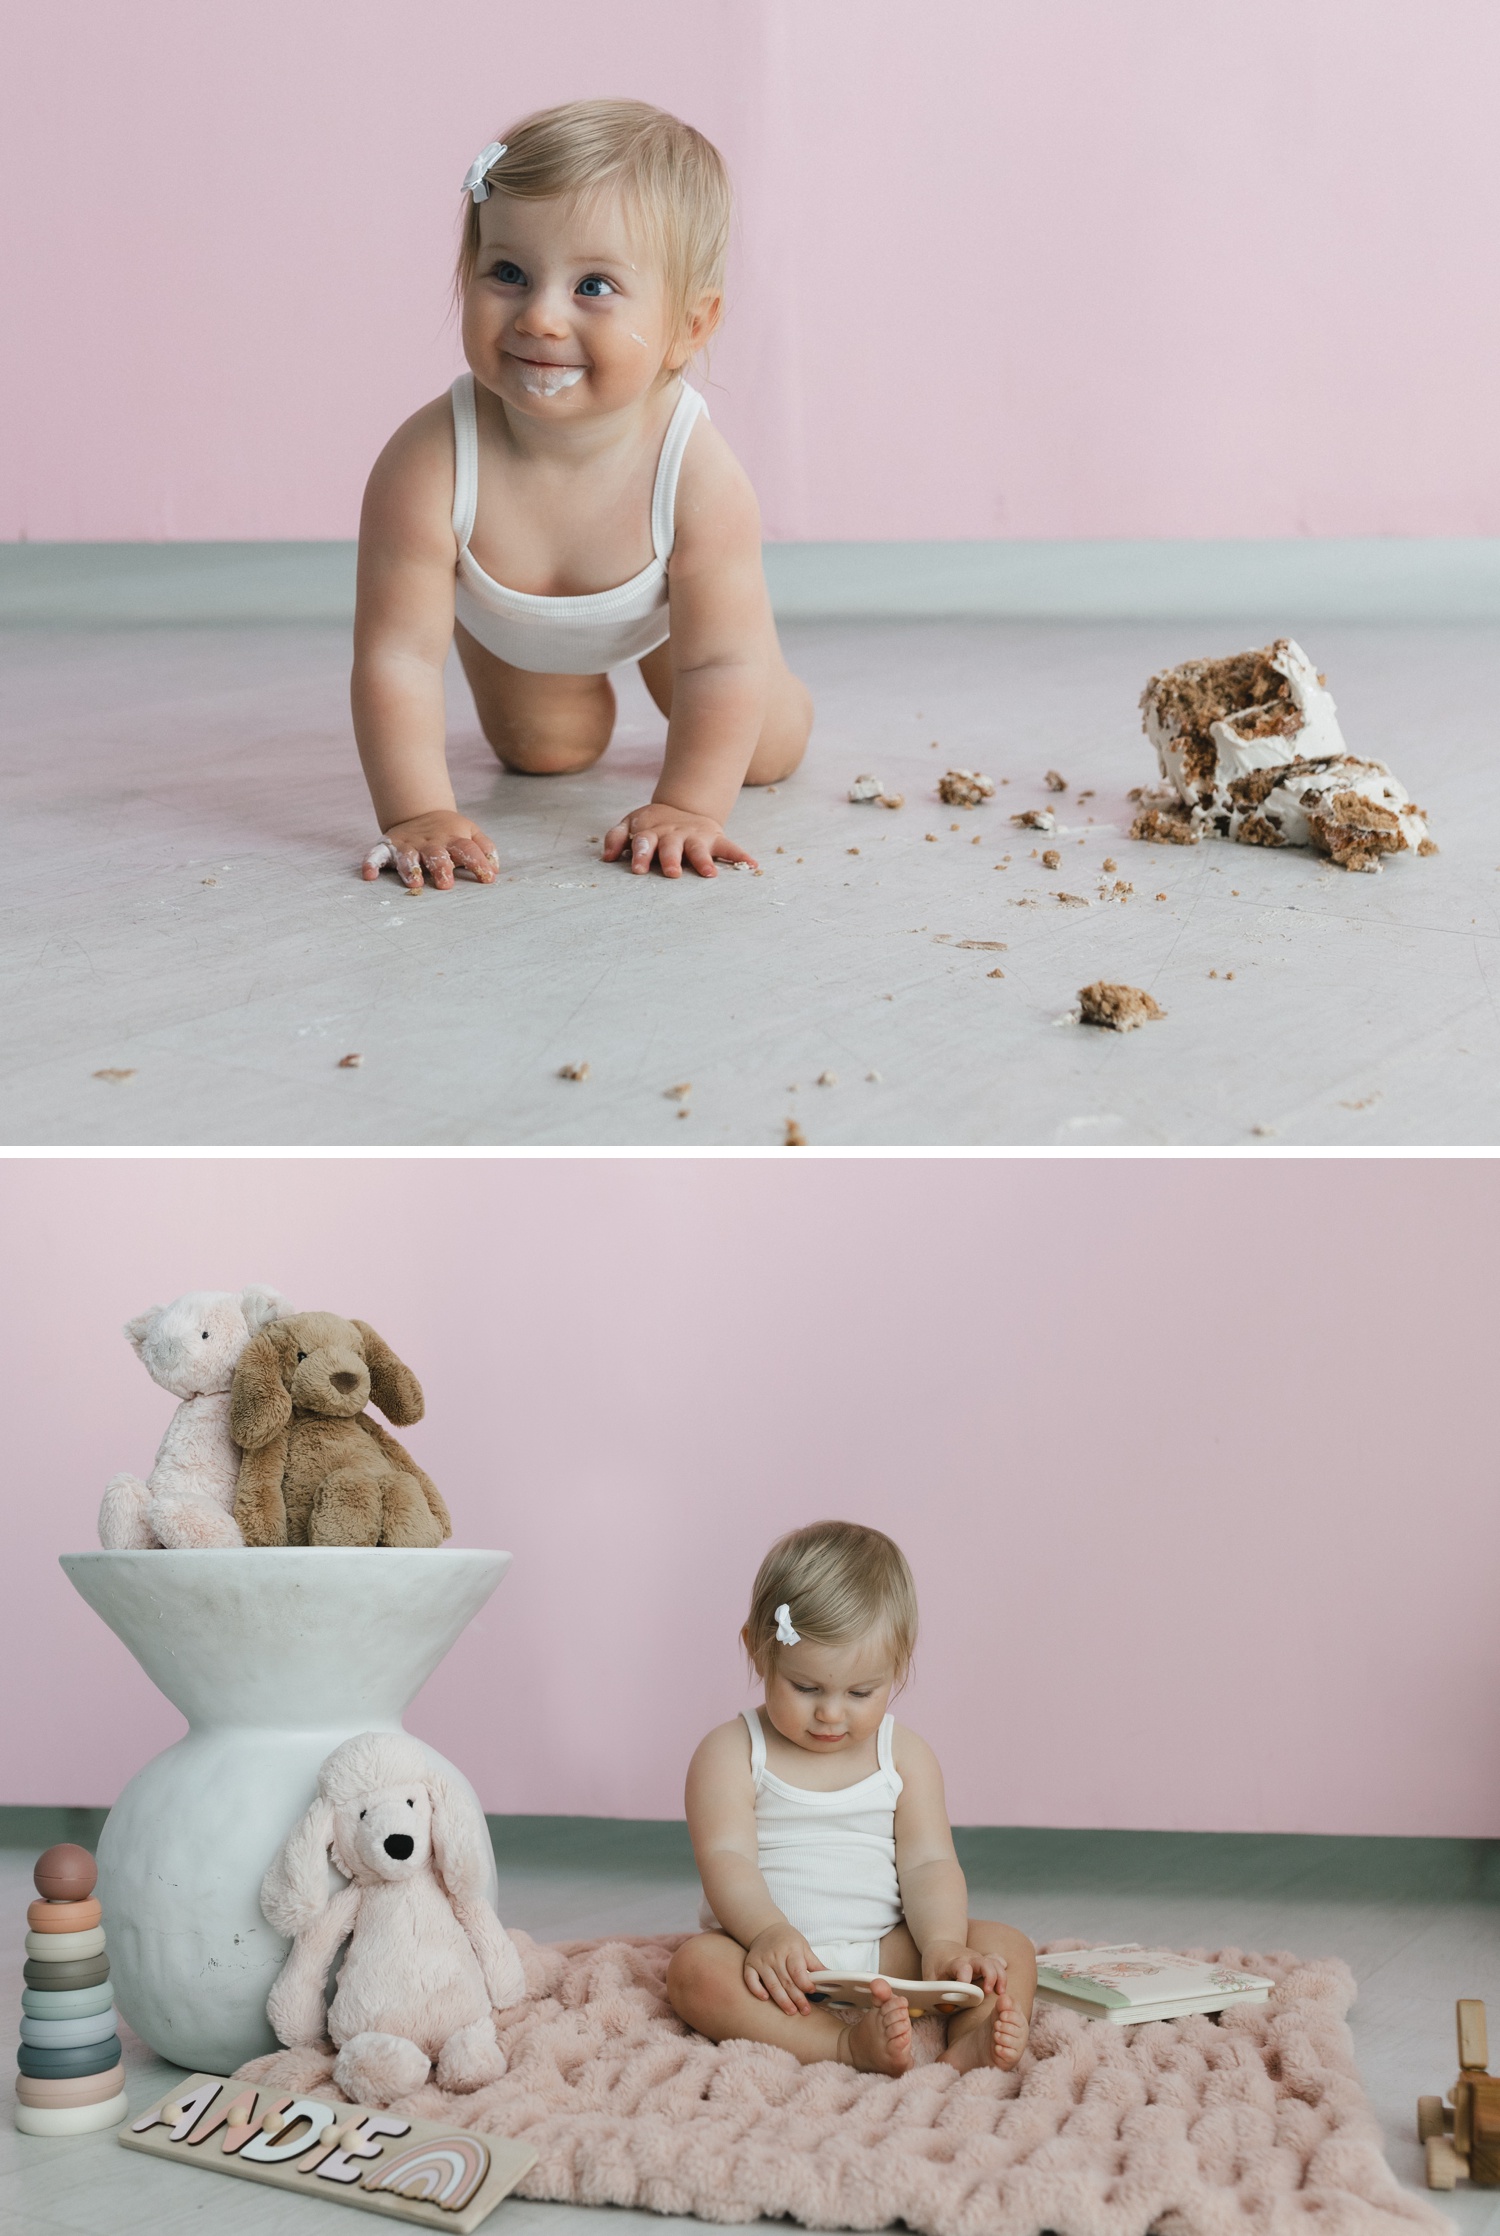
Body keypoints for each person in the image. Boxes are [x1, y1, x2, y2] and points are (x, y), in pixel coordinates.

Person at [354, 99, 812, 893]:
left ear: (689, 327)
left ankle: (721, 671)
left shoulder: (696, 474)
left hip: (681, 622)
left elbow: (721, 663)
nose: (539, 315)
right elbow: (396, 657)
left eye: (593, 285)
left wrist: (686, 805)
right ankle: (528, 668)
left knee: (762, 750)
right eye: (507, 273)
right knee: (548, 754)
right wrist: (416, 813)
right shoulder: (427, 463)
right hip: (517, 631)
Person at [667, 1520, 1035, 2075]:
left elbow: (929, 1861)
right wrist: (768, 1932)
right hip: (771, 1958)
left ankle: (974, 2042)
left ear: (899, 1666)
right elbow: (727, 1859)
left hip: (886, 1951)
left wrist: (939, 1944)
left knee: (1007, 1948)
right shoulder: (730, 1752)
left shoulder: (903, 1755)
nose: (832, 1714)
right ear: (758, 1651)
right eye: (806, 1688)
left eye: (861, 1693)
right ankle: (838, 2046)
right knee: (695, 1971)